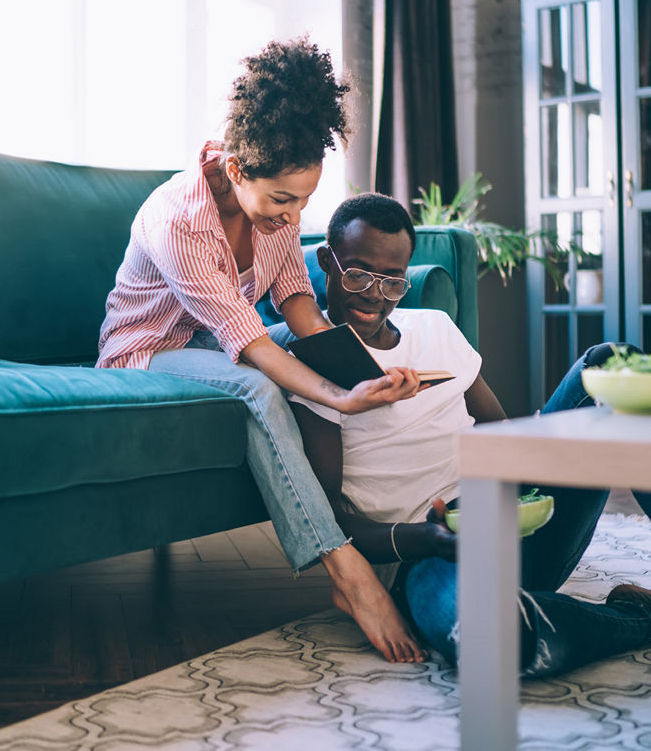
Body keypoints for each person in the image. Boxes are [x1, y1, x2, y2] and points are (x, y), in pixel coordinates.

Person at [289, 193, 651, 675]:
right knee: (496, 639)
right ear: (327, 263)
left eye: (393, 281)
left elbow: (505, 437)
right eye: (358, 274)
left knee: (610, 365)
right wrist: (427, 538)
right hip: (428, 560)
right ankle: (645, 619)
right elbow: (331, 521)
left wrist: (545, 464)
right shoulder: (319, 371)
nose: (374, 295)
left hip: (519, 521)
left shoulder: (436, 329)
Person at [97, 38, 428, 663]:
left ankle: (377, 501)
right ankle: (346, 569)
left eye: (305, 200)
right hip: (146, 352)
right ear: (235, 169)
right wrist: (338, 396)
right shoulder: (175, 218)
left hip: (217, 344)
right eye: (283, 199)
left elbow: (297, 303)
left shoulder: (274, 214)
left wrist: (361, 371)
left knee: (310, 361)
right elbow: (248, 345)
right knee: (258, 384)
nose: (294, 215)